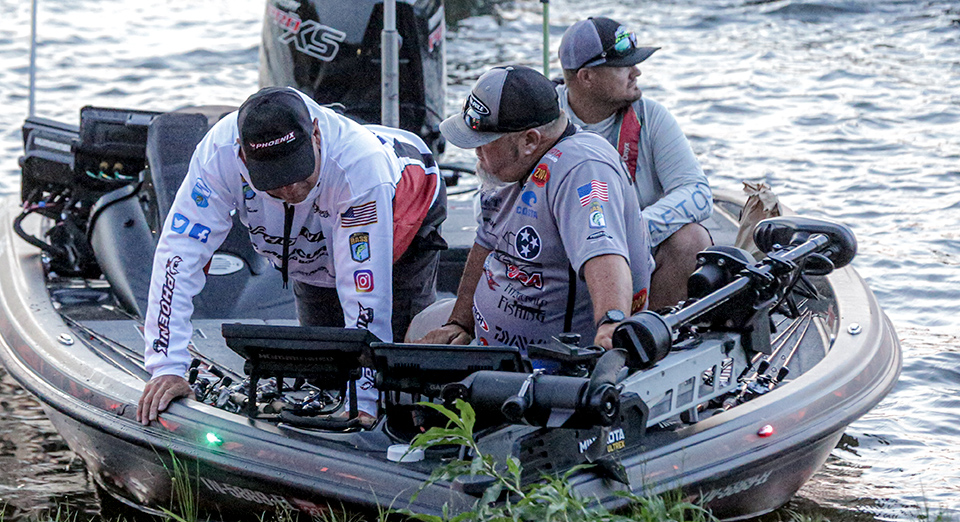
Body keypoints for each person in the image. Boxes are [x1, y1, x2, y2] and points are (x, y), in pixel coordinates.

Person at [137, 87, 446, 425]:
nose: (289, 189)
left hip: (402, 199)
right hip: (310, 238)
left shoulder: (360, 167)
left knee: (397, 375)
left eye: (296, 172)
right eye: (274, 180)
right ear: (241, 155)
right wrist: (167, 366)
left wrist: (365, 401)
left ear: (315, 134)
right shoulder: (218, 155)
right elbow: (179, 255)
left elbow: (367, 292)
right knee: (324, 371)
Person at [419, 66, 653, 355]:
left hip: (556, 360)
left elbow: (604, 255)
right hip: (491, 340)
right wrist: (459, 323)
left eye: (484, 142)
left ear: (529, 141)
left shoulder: (582, 169)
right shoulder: (506, 167)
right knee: (416, 331)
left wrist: (610, 324)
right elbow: (485, 242)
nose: (475, 152)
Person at [557, 16, 714, 309]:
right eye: (623, 66)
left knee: (692, 240)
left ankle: (649, 332)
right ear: (586, 77)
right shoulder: (543, 120)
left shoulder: (651, 116)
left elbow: (698, 193)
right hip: (563, 256)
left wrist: (633, 228)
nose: (637, 71)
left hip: (636, 251)